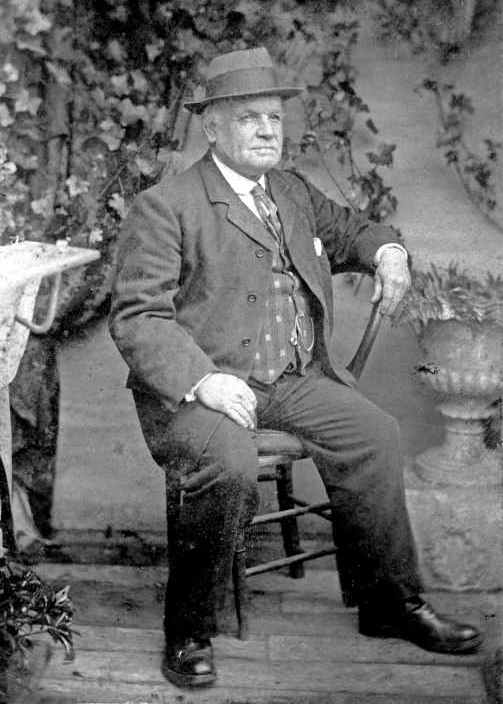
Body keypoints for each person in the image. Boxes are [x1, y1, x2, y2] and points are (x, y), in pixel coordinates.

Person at [108, 47, 482, 688]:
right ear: (213, 127)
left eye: (274, 119)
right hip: (201, 388)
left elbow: (353, 231)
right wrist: (204, 380)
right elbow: (139, 317)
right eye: (249, 117)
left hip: (289, 378)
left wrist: (387, 250)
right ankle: (190, 628)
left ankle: (390, 605)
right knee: (227, 463)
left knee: (375, 434)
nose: (266, 131)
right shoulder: (167, 205)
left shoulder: (291, 191)